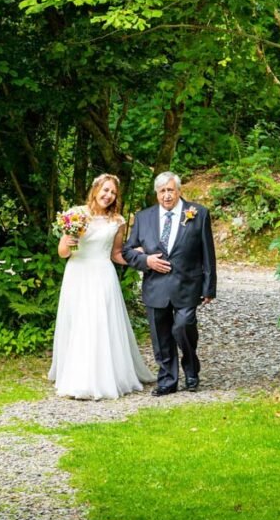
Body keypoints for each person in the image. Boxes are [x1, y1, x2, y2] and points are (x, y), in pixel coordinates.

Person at [48, 173, 155, 400]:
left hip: (103, 274)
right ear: (95, 189)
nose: (108, 195)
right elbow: (63, 254)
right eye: (105, 190)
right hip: (78, 273)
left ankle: (103, 377)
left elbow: (116, 254)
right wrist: (69, 243)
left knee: (98, 322)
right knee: (79, 323)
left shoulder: (117, 221)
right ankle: (77, 375)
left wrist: (142, 259)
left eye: (113, 193)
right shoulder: (76, 215)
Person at [123, 171, 217, 396]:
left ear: (179, 191)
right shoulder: (143, 217)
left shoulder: (198, 214)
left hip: (187, 285)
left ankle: (191, 368)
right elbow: (127, 250)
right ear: (156, 193)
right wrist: (146, 260)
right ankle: (167, 379)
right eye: (162, 191)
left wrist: (209, 287)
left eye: (170, 190)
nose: (166, 195)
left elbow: (208, 253)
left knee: (183, 326)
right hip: (156, 286)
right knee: (161, 336)